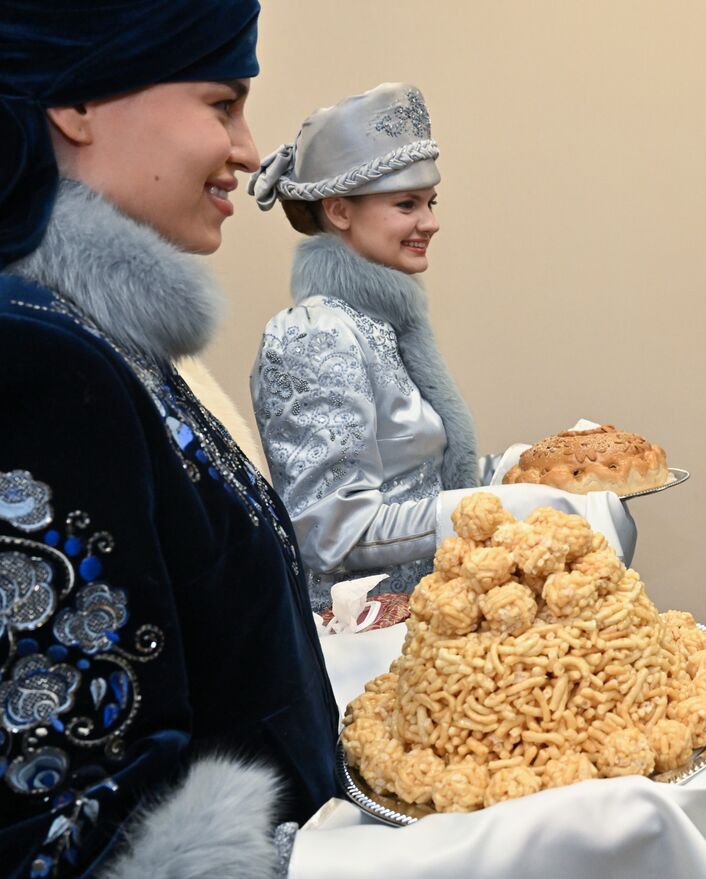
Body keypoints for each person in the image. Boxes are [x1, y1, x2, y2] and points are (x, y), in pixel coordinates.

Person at [0, 2, 339, 875]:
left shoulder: (94, 336)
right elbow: (78, 821)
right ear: (76, 104)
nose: (249, 149)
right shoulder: (37, 356)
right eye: (221, 103)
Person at [248, 84, 480, 612]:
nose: (431, 222)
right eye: (406, 204)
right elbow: (331, 532)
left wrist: (520, 470)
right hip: (362, 641)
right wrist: (488, 508)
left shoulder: (379, 321)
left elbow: (416, 482)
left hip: (426, 623)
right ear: (339, 211)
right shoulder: (312, 334)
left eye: (431, 202)